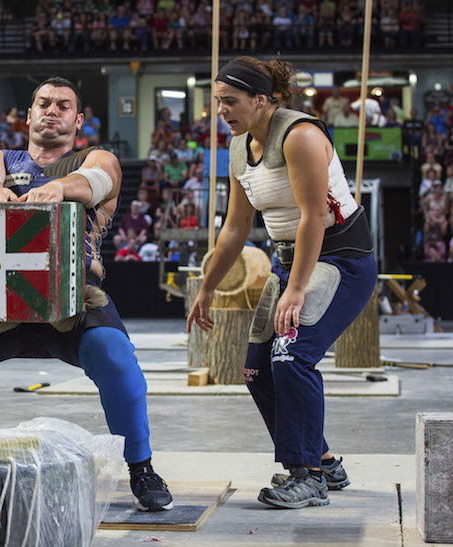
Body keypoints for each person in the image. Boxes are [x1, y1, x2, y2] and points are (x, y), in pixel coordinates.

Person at [0, 77, 173, 512]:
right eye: (43, 103)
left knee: (113, 351)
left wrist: (59, 188)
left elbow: (98, 180)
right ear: (27, 116)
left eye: (63, 106)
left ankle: (141, 467)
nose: (52, 111)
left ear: (78, 120)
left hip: (72, 298)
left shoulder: (95, 159)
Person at [187, 57, 376, 509]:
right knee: (256, 370)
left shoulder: (300, 136)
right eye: (217, 102)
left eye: (230, 101)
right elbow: (236, 227)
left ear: (261, 100)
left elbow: (313, 217)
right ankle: (324, 461)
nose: (221, 111)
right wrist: (208, 287)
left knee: (291, 357)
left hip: (340, 259)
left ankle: (307, 476)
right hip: (292, 262)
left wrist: (295, 288)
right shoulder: (238, 148)